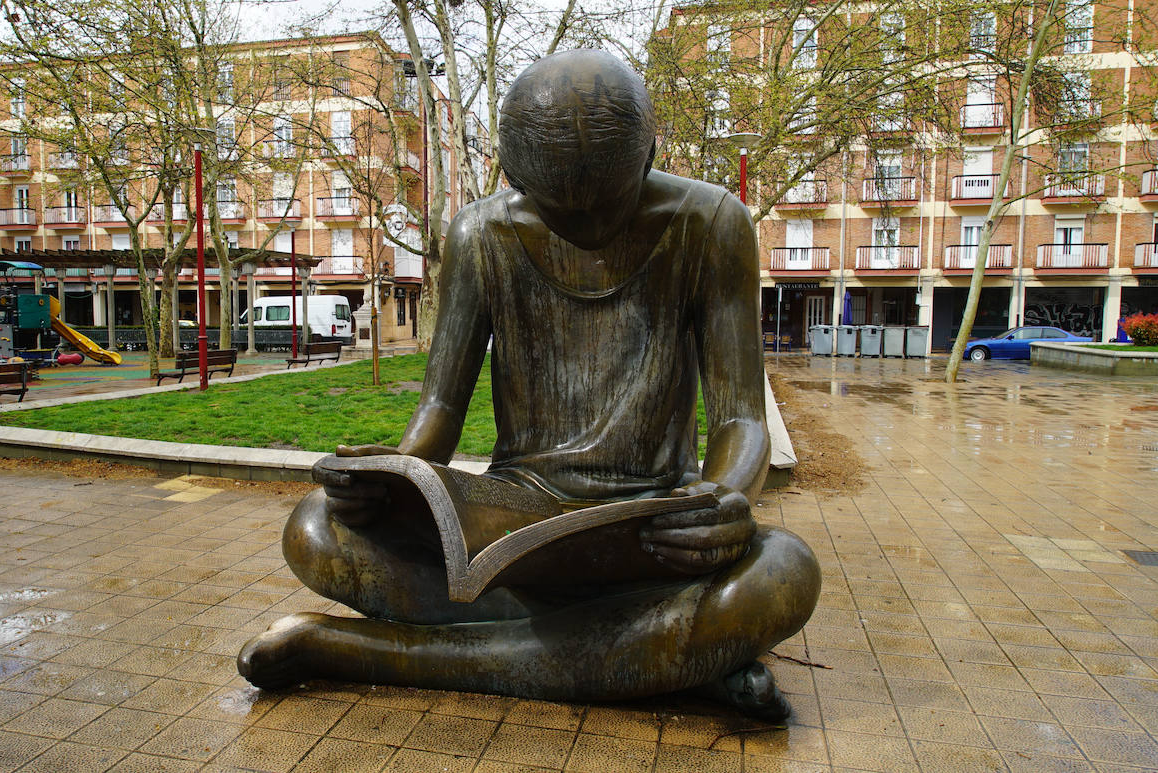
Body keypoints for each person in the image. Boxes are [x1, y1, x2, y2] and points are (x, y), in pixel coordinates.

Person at [238, 49, 819, 720]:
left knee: (783, 571)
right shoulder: (480, 233)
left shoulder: (712, 224)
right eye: (561, 213)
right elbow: (439, 406)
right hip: (516, 524)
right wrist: (392, 477)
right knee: (315, 526)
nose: (592, 230)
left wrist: (722, 499)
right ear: (512, 174)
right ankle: (663, 656)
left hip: (653, 532)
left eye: (610, 206)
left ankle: (355, 648)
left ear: (651, 153)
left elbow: (741, 417)